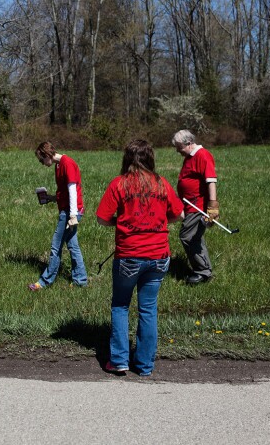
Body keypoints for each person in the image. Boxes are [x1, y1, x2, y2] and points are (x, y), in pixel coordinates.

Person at [96, 139, 184, 375]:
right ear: (150, 158)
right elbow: (179, 214)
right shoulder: (162, 184)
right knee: (148, 309)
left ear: (127, 159)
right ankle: (145, 365)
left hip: (129, 255)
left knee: (121, 305)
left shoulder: (120, 184)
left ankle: (119, 360)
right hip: (158, 256)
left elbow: (102, 218)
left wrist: (120, 222)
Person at [29, 142, 88, 290]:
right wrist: (50, 198)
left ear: (47, 155)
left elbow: (73, 190)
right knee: (73, 246)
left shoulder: (67, 163)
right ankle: (81, 280)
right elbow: (64, 192)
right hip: (68, 210)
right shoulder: (58, 165)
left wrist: (73, 216)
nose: (42, 164)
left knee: (56, 246)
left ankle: (44, 281)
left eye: (41, 160)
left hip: (70, 212)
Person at [172, 129, 220, 285]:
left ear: (189, 143)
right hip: (189, 205)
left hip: (197, 206)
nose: (177, 150)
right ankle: (202, 269)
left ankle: (203, 272)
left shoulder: (203, 155)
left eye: (179, 147)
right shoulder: (190, 156)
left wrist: (212, 207)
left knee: (189, 236)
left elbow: (211, 181)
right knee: (192, 237)